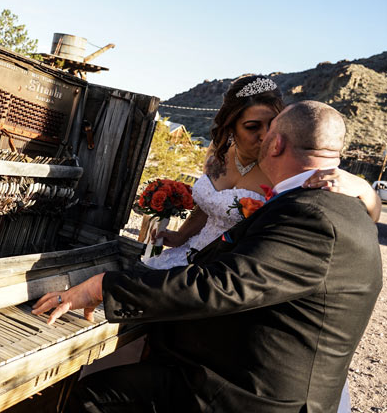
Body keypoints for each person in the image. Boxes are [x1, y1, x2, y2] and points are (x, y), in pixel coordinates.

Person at [32, 101, 382, 413]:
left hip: (257, 397)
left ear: (276, 144)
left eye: (268, 131)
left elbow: (222, 285)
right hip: (258, 369)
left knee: (95, 398)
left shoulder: (311, 214)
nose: (261, 138)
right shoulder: (342, 205)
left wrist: (101, 287)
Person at [144, 75, 380, 271]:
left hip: (231, 270)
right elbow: (209, 207)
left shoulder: (284, 169)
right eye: (252, 126)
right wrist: (181, 236)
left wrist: (365, 191)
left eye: (272, 125)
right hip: (192, 253)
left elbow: (364, 216)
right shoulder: (218, 151)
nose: (265, 135)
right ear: (230, 126)